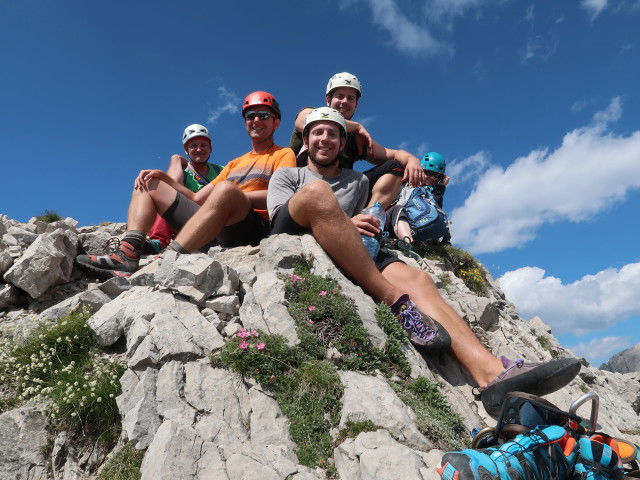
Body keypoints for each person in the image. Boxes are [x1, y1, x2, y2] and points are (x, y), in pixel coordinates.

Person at [268, 107, 581, 416]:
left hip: (351, 247)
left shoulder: (358, 182)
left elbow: (363, 219)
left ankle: (491, 375)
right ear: (306, 141)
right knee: (317, 192)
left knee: (419, 281)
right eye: (317, 132)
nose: (325, 138)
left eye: (333, 133)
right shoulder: (288, 174)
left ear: (341, 143)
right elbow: (280, 219)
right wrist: (344, 222)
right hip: (300, 231)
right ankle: (393, 300)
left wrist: (360, 223)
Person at [76, 91, 296, 278]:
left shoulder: (283, 154)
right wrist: (164, 178)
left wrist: (234, 197)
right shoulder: (234, 164)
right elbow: (199, 198)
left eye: (264, 115)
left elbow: (282, 196)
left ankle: (170, 257)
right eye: (251, 115)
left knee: (227, 189)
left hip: (250, 228)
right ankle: (126, 254)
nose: (256, 120)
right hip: (213, 227)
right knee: (149, 182)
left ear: (276, 122)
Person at [289, 72, 427, 209]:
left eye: (350, 98)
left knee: (394, 166)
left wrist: (411, 159)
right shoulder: (312, 116)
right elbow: (303, 121)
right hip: (303, 188)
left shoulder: (357, 138)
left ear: (356, 105)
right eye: (340, 96)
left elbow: (392, 154)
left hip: (341, 195)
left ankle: (368, 218)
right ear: (328, 99)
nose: (344, 102)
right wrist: (357, 126)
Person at [145, 124, 224, 252]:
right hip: (189, 220)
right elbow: (172, 184)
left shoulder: (221, 170)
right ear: (186, 150)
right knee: (165, 194)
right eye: (193, 146)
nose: (199, 149)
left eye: (203, 145)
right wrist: (175, 159)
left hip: (216, 221)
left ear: (210, 148)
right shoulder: (185, 173)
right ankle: (159, 241)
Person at [387, 151, 451, 244]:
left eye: (437, 175)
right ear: (420, 170)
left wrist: (441, 188)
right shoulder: (405, 182)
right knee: (398, 209)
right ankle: (408, 243)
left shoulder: (432, 193)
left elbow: (436, 210)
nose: (432, 177)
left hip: (420, 227)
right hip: (398, 221)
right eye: (428, 172)